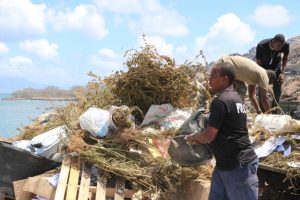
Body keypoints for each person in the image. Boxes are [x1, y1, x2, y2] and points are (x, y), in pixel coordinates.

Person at [185, 62, 258, 200]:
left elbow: (209, 135)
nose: (209, 79)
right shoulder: (236, 98)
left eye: (213, 76)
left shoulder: (220, 101)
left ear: (225, 79)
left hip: (238, 166)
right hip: (224, 165)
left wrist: (193, 138)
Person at [256, 34, 289, 111]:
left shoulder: (285, 45)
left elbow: (285, 58)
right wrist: (263, 75)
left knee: (277, 92)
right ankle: (264, 112)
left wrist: (282, 73)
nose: (280, 48)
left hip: (276, 68)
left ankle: (274, 111)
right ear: (273, 41)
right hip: (264, 69)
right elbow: (258, 62)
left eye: (282, 46)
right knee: (262, 92)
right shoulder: (261, 45)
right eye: (279, 46)